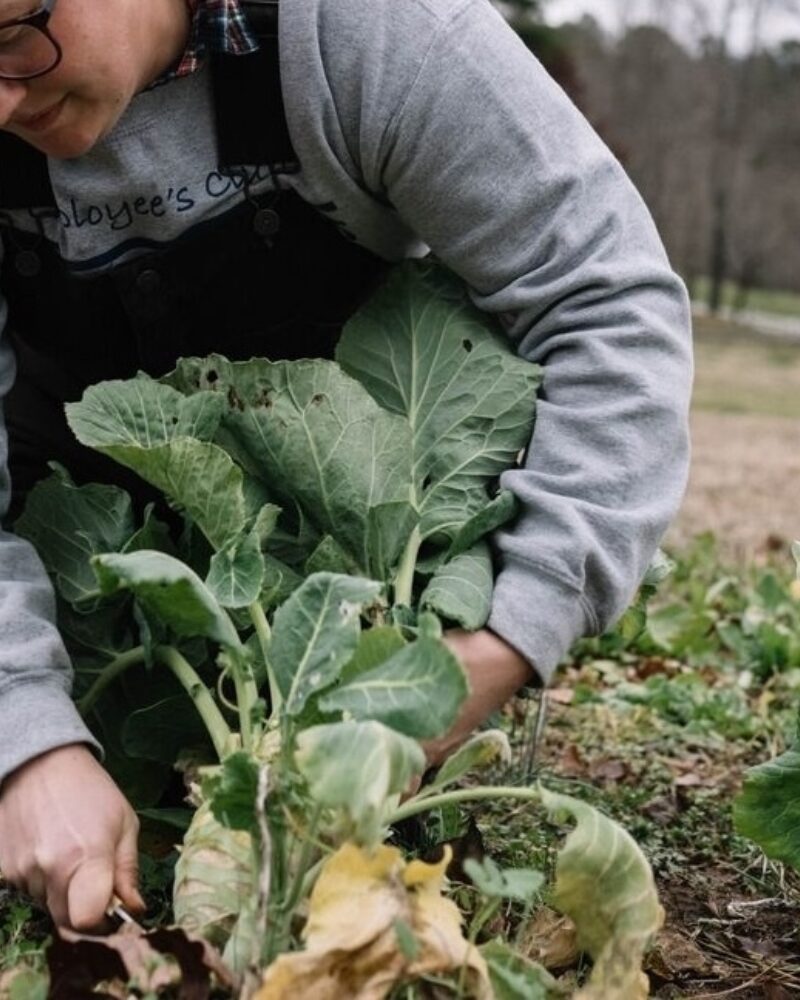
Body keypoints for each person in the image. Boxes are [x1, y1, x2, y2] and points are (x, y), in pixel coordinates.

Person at [0, 0, 692, 932]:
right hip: (83, 574)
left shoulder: (370, 30)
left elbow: (609, 308)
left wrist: (499, 644)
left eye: (12, 37)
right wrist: (26, 737)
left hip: (354, 575)